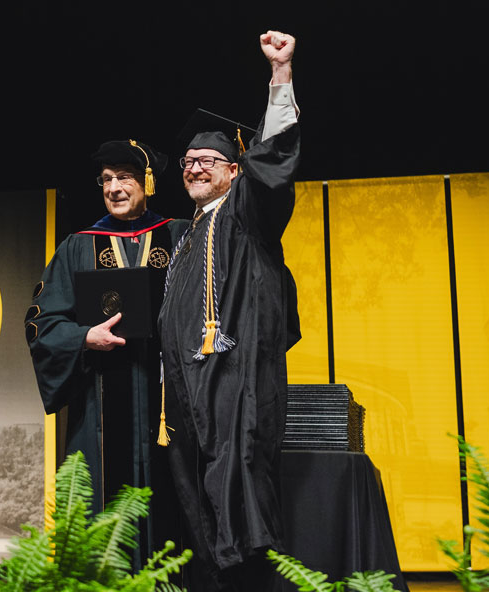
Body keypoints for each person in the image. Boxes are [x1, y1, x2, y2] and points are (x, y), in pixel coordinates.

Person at [158, 30, 301, 591]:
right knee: (199, 505)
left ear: (235, 169)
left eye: (209, 159)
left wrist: (280, 76)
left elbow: (274, 161)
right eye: (189, 161)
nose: (194, 167)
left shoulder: (246, 211)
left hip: (235, 384)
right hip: (190, 392)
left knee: (238, 494)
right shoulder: (187, 234)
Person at [25, 139, 188, 566]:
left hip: (172, 410)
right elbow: (41, 324)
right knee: (101, 530)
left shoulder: (181, 235)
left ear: (147, 183)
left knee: (174, 521)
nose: (114, 188)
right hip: (99, 406)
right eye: (106, 180)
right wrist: (83, 338)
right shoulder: (78, 246)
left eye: (125, 178)